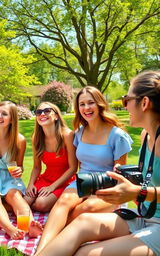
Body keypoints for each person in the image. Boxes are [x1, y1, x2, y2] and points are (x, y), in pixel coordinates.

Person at [36, 70, 160, 256]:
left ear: (144, 103)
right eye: (82, 104)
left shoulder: (118, 135)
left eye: (127, 99)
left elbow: (139, 189)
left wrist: (138, 192)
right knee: (81, 223)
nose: (124, 106)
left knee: (82, 253)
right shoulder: (146, 136)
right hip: (144, 215)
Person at [0, 101, 42, 240]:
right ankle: (10, 229)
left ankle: (29, 225)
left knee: (14, 195)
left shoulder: (19, 140)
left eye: (4, 114)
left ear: (12, 119)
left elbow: (19, 166)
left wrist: (19, 171)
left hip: (9, 177)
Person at [24, 102, 77, 212]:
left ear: (56, 116)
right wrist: (30, 185)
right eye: (38, 112)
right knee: (25, 201)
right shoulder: (36, 138)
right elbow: (36, 167)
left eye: (47, 111)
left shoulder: (67, 135)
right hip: (46, 178)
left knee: (40, 204)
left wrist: (52, 187)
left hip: (65, 181)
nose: (42, 114)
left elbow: (73, 168)